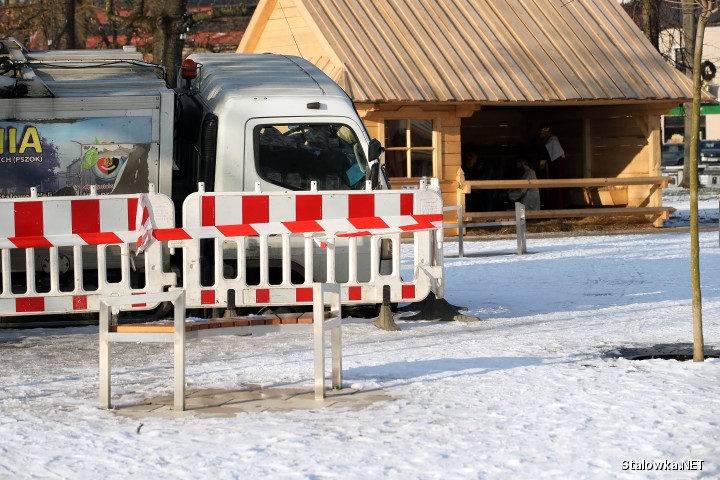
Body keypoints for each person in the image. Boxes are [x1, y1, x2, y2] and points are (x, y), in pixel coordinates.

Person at [539, 124, 565, 208]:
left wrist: (542, 166)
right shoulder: (549, 141)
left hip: (553, 167)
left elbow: (545, 157)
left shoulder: (552, 141)